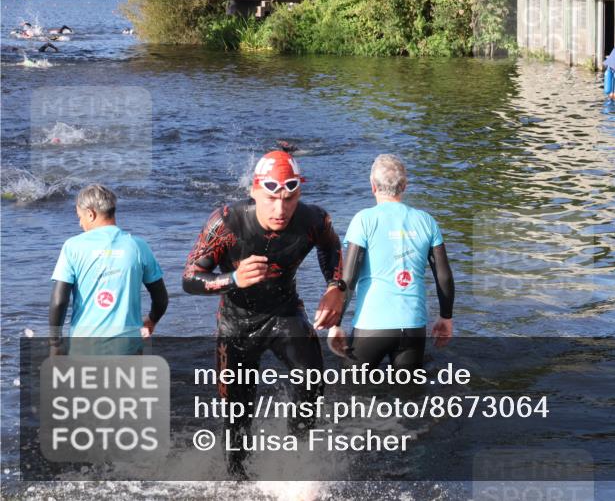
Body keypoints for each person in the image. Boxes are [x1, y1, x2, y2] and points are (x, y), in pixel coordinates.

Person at [182, 149, 345, 479]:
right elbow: (189, 279)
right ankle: (237, 479)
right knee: (238, 414)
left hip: (284, 312)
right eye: (271, 198)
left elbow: (331, 247)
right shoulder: (226, 222)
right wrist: (232, 279)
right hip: (236, 322)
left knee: (312, 379)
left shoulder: (314, 220)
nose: (280, 209)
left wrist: (336, 287)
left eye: (289, 197)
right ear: (254, 191)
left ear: (299, 192)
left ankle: (295, 462)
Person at [325, 154, 454, 371]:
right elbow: (444, 275)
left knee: (350, 394)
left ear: (373, 186)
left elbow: (349, 278)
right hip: (413, 326)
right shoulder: (426, 221)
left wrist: (336, 324)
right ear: (404, 185)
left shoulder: (364, 220)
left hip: (372, 326)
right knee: (409, 398)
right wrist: (446, 318)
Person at [48, 184, 169, 356]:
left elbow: (59, 301)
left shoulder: (73, 247)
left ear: (91, 214)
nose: (80, 223)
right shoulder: (138, 246)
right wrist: (151, 320)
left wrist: (55, 342)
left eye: (80, 217)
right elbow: (161, 298)